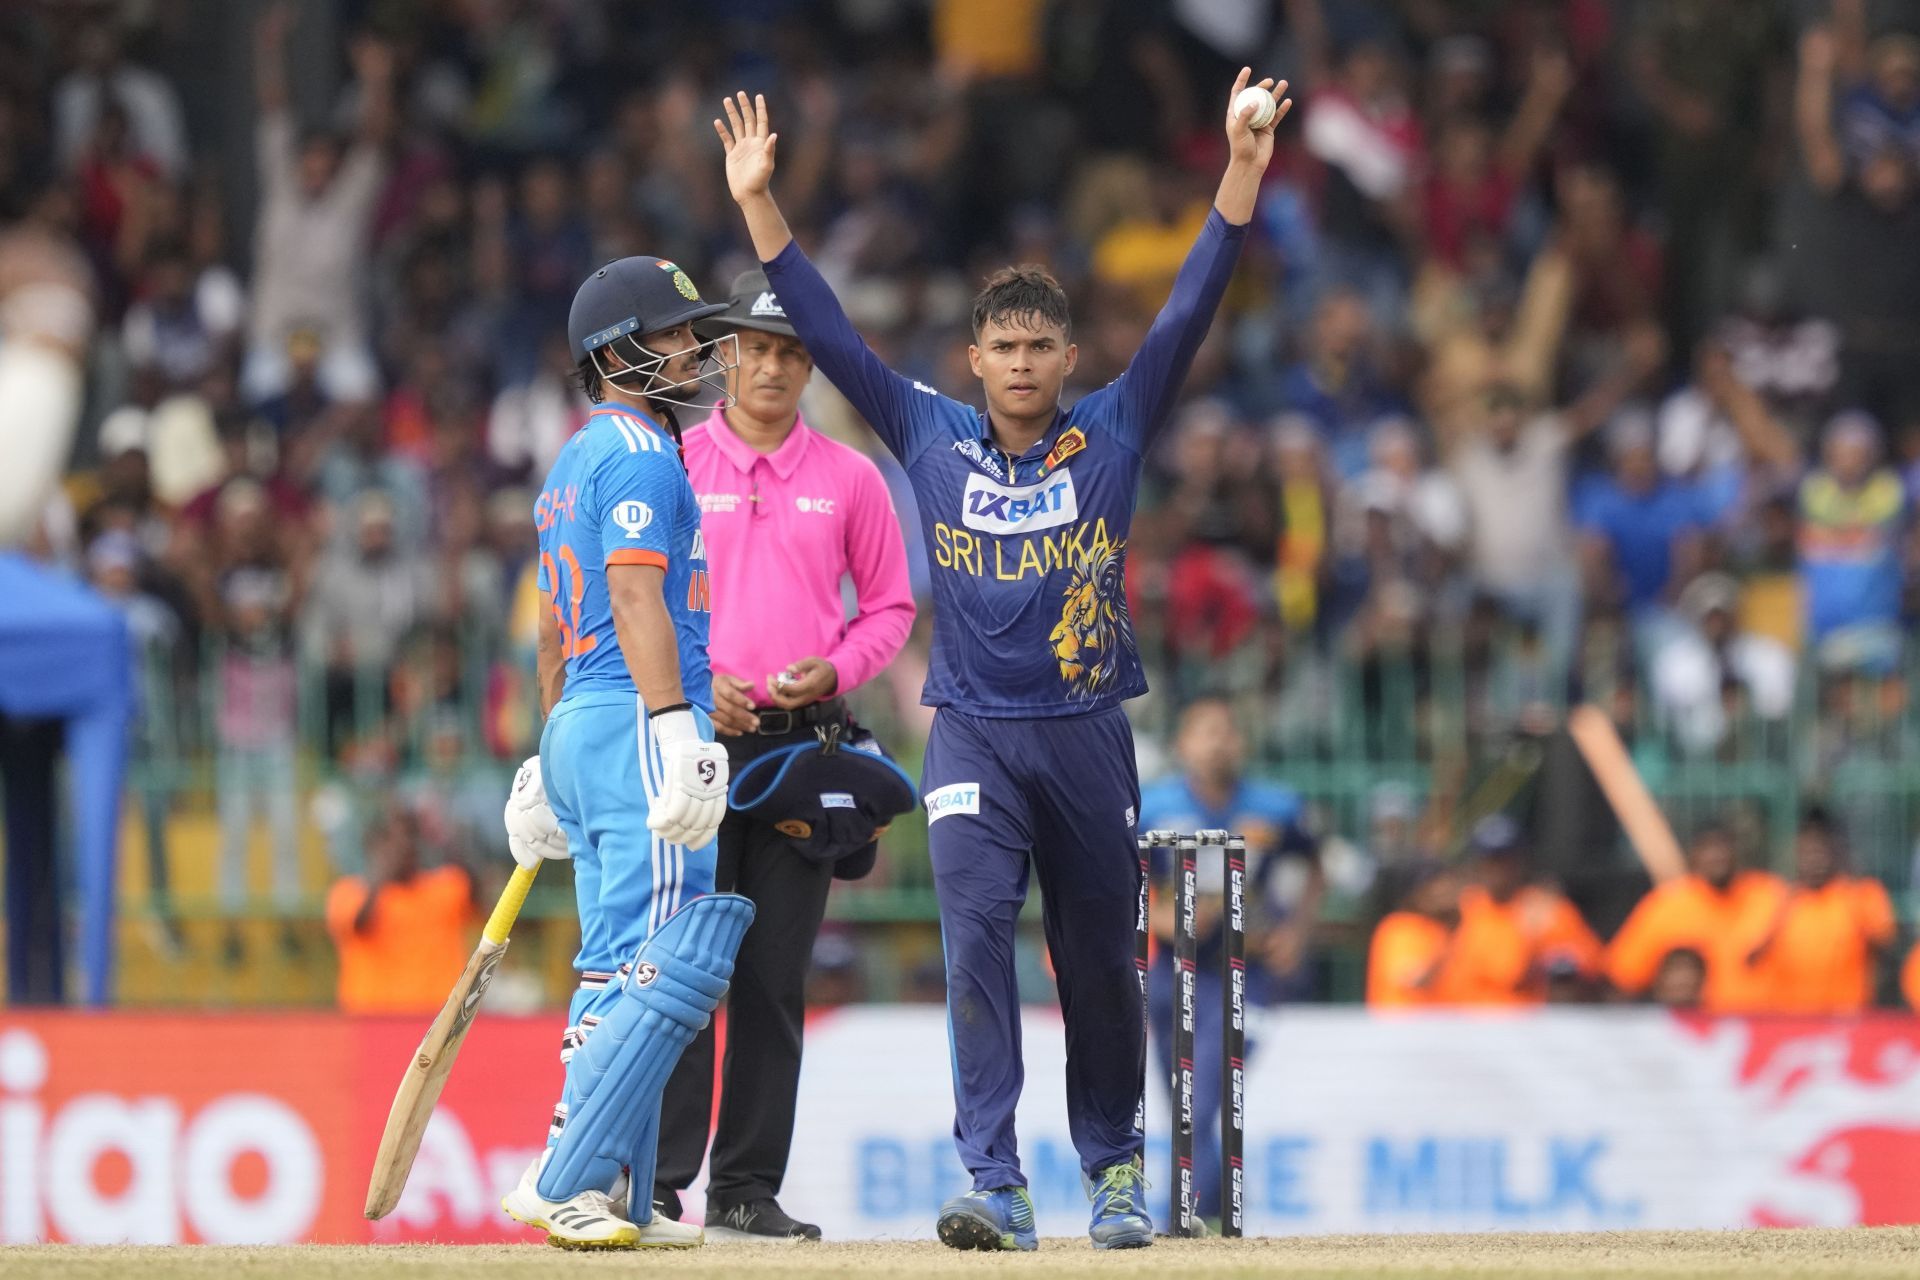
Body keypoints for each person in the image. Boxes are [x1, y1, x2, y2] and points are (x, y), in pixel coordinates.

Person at [715, 70, 1291, 1250]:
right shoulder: (924, 431)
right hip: (970, 729)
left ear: (1068, 354)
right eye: (1004, 345)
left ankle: (1117, 1173)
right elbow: (825, 328)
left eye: (1040, 344)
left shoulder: (1116, 430)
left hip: (1087, 729)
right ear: (972, 357)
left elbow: (1188, 309)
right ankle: (998, 1182)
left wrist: (1240, 166)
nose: (1023, 362)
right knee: (974, 944)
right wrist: (761, 208)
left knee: (1094, 956)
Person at [494, 254, 751, 1250]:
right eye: (677, 332)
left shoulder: (569, 461)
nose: (695, 348)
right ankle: (566, 1177)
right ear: (618, 351)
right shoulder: (642, 454)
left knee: (620, 958)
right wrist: (675, 724)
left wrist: (546, 751)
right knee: (662, 960)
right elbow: (635, 597)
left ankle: (625, 1194)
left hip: (583, 722)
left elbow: (555, 628)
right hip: (632, 717)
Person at [653, 271, 914, 1241]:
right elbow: (634, 594)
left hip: (804, 747)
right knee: (684, 968)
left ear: (812, 363)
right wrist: (691, 673)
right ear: (725, 352)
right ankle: (661, 1176)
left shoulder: (851, 476)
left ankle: (745, 1188)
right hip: (694, 741)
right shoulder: (673, 460)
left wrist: (837, 667)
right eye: (755, 347)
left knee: (771, 972)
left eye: (791, 351)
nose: (771, 365)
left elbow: (889, 607)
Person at [1138, 695, 1321, 1225]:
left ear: (1241, 741)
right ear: (1182, 743)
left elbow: (1315, 867)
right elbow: (1124, 873)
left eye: (1226, 731)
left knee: (1206, 1097)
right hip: (1177, 970)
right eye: (1205, 731)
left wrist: (1297, 933)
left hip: (1248, 971)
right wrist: (1164, 917)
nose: (1217, 743)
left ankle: (1187, 1217)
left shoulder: (1276, 806)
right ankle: (1205, 1215)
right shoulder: (1154, 805)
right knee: (1183, 1103)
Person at [1605, 824, 1786, 1012]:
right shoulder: (1668, 905)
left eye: (1723, 847)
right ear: (1693, 855)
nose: (1717, 856)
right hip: (1690, 1032)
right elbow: (1622, 978)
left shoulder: (1769, 895)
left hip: (1773, 1027)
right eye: (1708, 848)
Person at [323, 805, 476, 1013]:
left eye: (410, 835)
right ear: (374, 844)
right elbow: (360, 923)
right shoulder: (348, 892)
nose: (404, 845)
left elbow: (482, 896)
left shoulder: (445, 887)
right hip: (372, 1022)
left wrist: (448, 839)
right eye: (392, 839)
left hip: (437, 1022)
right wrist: (382, 870)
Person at [1747, 811, 1894, 1014]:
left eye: (1821, 850)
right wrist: (1780, 913)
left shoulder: (1861, 893)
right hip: (1788, 1020)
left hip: (1849, 1018)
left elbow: (1886, 951)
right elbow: (1750, 959)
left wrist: (1856, 902)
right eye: (1807, 851)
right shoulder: (1774, 898)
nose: (1815, 859)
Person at [1446, 814, 1603, 1005]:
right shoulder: (1461, 906)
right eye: (1490, 859)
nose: (1497, 869)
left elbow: (1589, 965)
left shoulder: (1547, 908)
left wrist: (1538, 949)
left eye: (1505, 859)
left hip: (1525, 1027)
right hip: (1459, 1024)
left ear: (1521, 861)